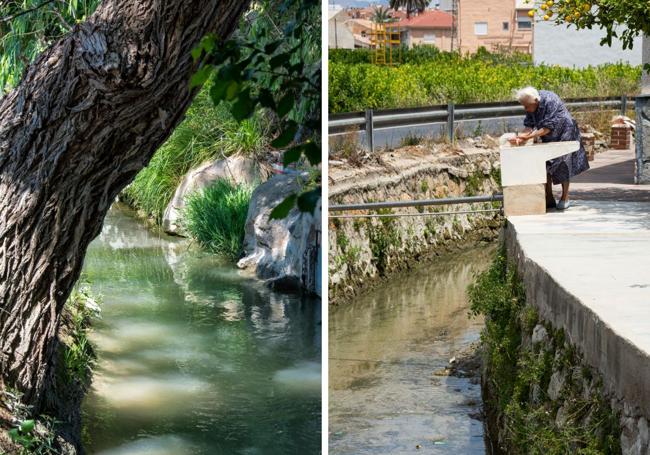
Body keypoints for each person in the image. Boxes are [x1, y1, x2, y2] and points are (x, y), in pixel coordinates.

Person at [508, 86, 589, 210]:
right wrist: (520, 137)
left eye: (527, 106)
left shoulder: (550, 100)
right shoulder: (530, 103)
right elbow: (529, 126)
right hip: (547, 134)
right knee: (546, 162)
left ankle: (565, 197)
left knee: (563, 162)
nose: (525, 109)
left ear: (535, 101)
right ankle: (549, 197)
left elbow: (547, 127)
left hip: (564, 131)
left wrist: (527, 137)